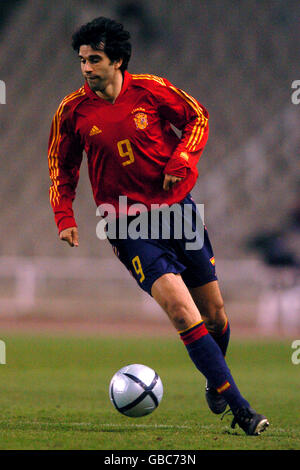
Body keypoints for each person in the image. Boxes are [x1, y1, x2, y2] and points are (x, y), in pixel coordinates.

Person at [48, 16, 269, 435]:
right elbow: (62, 168)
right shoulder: (72, 111)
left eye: (94, 60)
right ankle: (241, 409)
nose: (86, 69)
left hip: (177, 212)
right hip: (125, 222)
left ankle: (214, 383)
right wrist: (65, 216)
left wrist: (181, 159)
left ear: (117, 61)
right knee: (181, 310)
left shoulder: (151, 89)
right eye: (82, 60)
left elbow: (198, 118)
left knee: (216, 315)